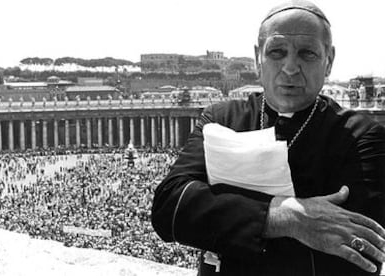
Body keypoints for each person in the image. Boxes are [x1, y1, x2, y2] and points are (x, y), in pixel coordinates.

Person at [151, 1, 385, 275]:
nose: (290, 68)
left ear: (329, 61)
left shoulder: (362, 136)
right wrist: (286, 217)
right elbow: (170, 208)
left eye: (307, 54)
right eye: (277, 52)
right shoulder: (220, 120)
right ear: (257, 58)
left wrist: (225, 216)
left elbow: (363, 252)